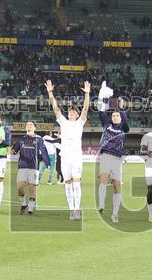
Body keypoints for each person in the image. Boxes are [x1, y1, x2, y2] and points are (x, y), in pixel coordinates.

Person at [46, 79, 91, 221]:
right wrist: (50, 93)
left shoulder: (80, 123)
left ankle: (77, 209)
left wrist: (87, 94)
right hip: (65, 157)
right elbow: (55, 108)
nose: (72, 112)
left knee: (76, 184)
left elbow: (85, 108)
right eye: (70, 111)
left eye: (74, 111)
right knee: (68, 184)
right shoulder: (63, 122)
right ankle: (71, 210)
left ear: (77, 115)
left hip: (76, 157)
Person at [96, 84, 129, 224]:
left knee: (116, 185)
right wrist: (101, 97)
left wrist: (120, 108)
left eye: (117, 115)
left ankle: (115, 213)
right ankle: (101, 205)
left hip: (117, 158)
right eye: (114, 115)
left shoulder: (124, 128)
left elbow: (125, 120)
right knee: (103, 180)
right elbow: (101, 112)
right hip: (105, 156)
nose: (115, 117)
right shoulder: (106, 125)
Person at [11, 121, 50, 215]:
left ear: (35, 128)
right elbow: (14, 150)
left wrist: (47, 162)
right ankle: (24, 203)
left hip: (33, 166)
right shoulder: (21, 139)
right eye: (27, 124)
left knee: (32, 188)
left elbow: (43, 151)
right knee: (19, 187)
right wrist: (11, 150)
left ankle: (31, 208)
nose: (29, 125)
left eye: (31, 124)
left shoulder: (39, 139)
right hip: (22, 166)